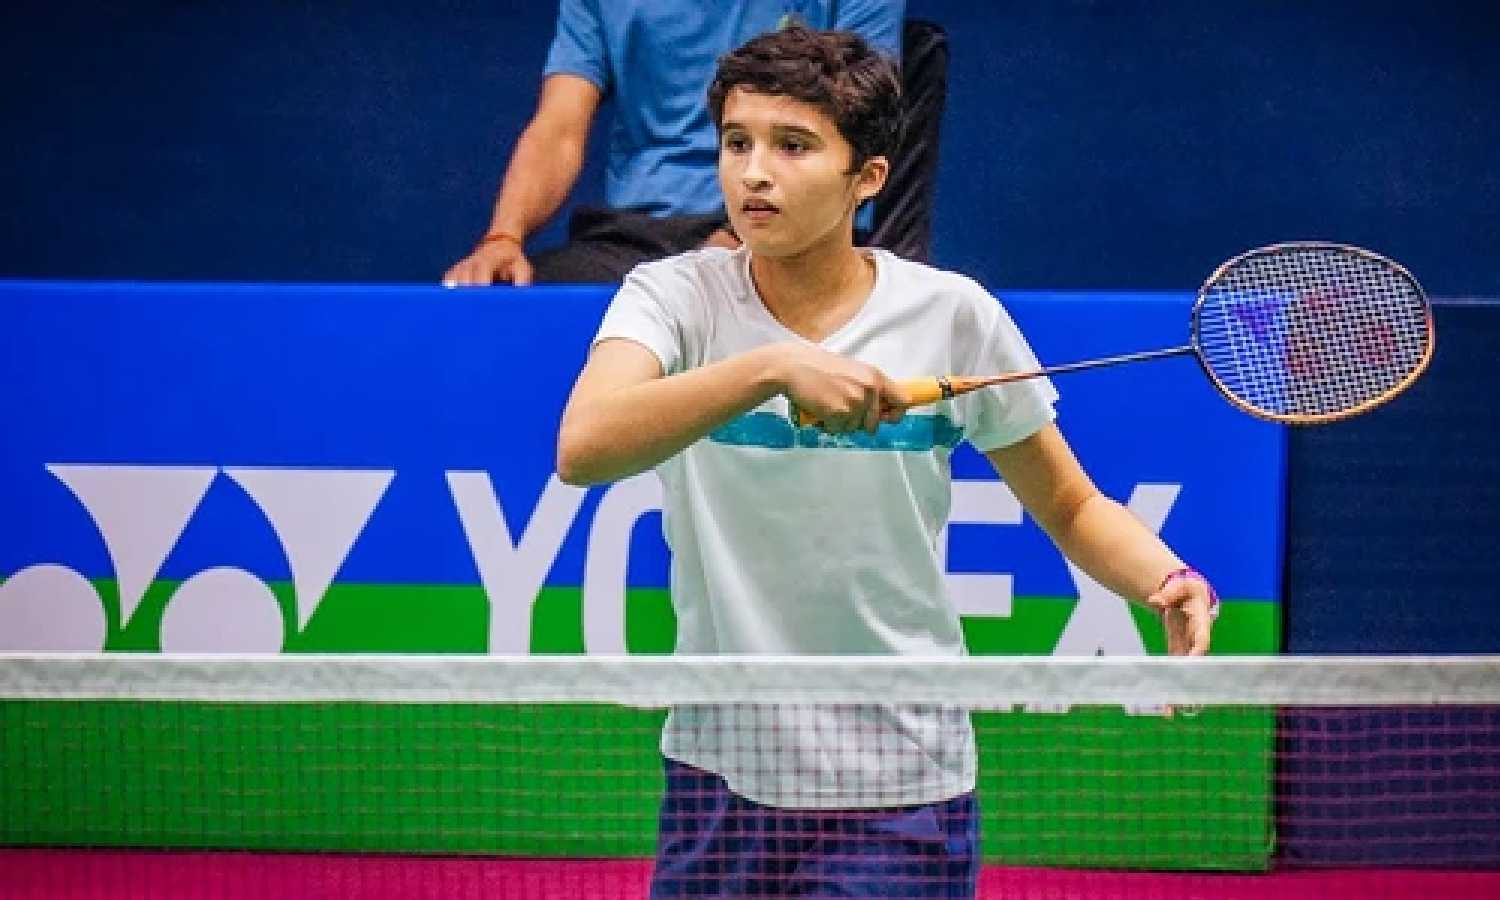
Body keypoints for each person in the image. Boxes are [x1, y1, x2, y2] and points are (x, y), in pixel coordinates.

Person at [555, 25, 1218, 898]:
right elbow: (585, 447)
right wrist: (771, 368)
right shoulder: (675, 298)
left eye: (793, 146)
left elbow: (1070, 504)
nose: (754, 173)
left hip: (899, 776)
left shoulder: (952, 315)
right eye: (737, 142)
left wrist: (1165, 577)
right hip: (720, 766)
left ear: (867, 177)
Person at [442, 1, 903, 287]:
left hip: (791, 228)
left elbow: (860, 116)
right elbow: (559, 126)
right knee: (518, 305)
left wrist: (742, 241)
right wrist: (503, 237)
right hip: (632, 239)